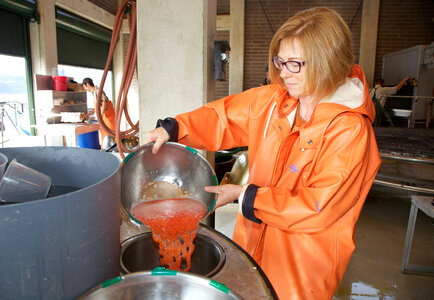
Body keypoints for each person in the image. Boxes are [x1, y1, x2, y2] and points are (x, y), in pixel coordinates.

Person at [145, 7, 381, 299]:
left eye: (295, 64)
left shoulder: (349, 130)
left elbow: (318, 206)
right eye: (280, 61)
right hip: (252, 241)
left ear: (327, 63)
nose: (283, 73)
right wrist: (175, 127)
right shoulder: (276, 100)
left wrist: (245, 197)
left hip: (302, 265)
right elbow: (225, 117)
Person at [81, 77, 115, 144]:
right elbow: (96, 108)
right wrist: (88, 115)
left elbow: (104, 102)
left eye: (84, 86)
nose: (84, 89)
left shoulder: (98, 90)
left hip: (107, 115)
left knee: (111, 135)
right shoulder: (94, 93)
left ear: (87, 84)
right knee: (105, 135)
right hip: (103, 116)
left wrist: (100, 114)